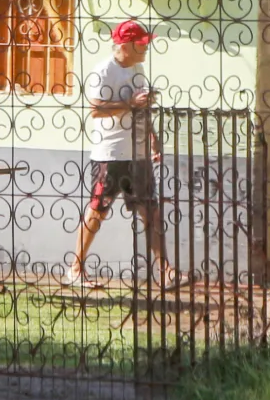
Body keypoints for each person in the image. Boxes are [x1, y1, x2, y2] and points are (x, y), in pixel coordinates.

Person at [65, 18, 183, 290]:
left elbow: (141, 106)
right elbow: (95, 110)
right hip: (111, 153)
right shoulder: (103, 72)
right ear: (125, 45)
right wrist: (129, 104)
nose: (145, 47)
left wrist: (151, 136)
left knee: (150, 212)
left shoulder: (138, 68)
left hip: (138, 153)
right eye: (140, 43)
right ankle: (75, 268)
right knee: (98, 210)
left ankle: (166, 272)